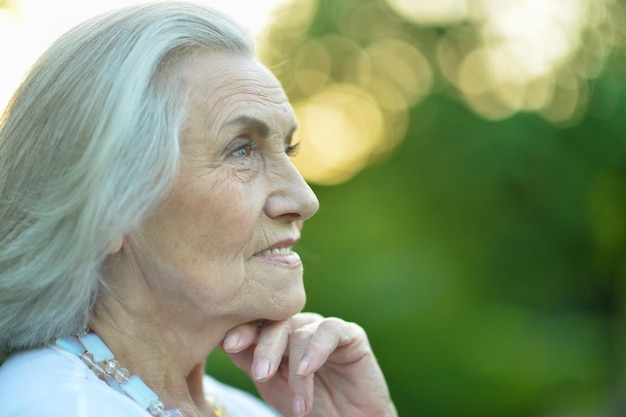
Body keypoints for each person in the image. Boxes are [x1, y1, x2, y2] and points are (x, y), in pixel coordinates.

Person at [0, 2, 397, 417]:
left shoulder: (247, 408)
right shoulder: (56, 405)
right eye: (242, 150)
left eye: (289, 148)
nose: (305, 201)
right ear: (105, 207)